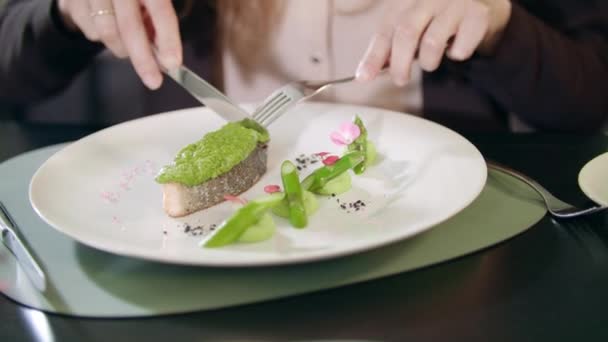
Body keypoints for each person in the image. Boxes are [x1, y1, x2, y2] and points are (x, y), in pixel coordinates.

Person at [0, 0, 607, 132]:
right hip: (197, 273)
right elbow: (12, 76)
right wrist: (67, 12)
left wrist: (500, 25)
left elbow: (590, 98)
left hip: (446, 258)